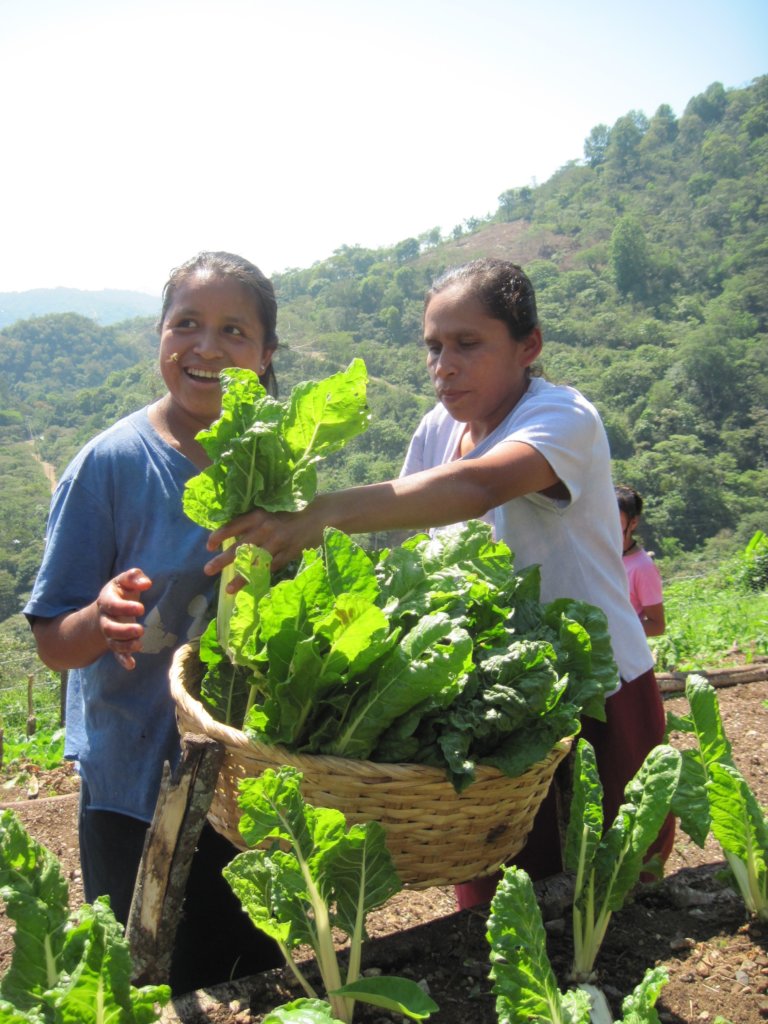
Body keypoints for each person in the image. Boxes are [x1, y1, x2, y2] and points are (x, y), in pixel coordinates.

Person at [206, 257, 675, 907]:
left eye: (467, 344)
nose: (443, 365)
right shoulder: (437, 429)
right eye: (433, 346)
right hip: (493, 695)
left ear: (529, 346)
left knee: (618, 890)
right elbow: (413, 537)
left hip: (595, 685)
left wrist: (322, 513)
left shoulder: (564, 417)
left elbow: (475, 487)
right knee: (494, 904)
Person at [24, 251, 283, 993]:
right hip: (134, 784)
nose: (206, 347)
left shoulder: (279, 470)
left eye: (234, 331)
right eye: (187, 325)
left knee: (253, 977)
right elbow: (51, 642)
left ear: (265, 355)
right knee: (151, 984)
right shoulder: (109, 465)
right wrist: (101, 620)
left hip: (250, 782)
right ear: (160, 338)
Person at [616, 484, 666, 637]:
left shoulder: (642, 567)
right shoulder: (598, 554)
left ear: (633, 523)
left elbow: (657, 625)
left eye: (615, 521)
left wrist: (612, 629)